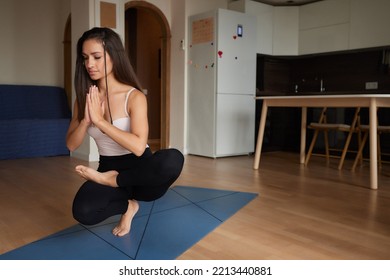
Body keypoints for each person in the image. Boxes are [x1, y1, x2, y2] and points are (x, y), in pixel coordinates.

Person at [66, 27, 184, 237]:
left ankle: (113, 181)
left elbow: (139, 148)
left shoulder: (134, 96)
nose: (89, 64)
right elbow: (71, 145)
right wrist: (86, 120)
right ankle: (128, 206)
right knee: (83, 212)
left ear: (114, 56)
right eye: (85, 58)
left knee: (173, 159)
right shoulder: (84, 99)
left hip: (141, 172)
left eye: (96, 57)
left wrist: (100, 122)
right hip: (108, 166)